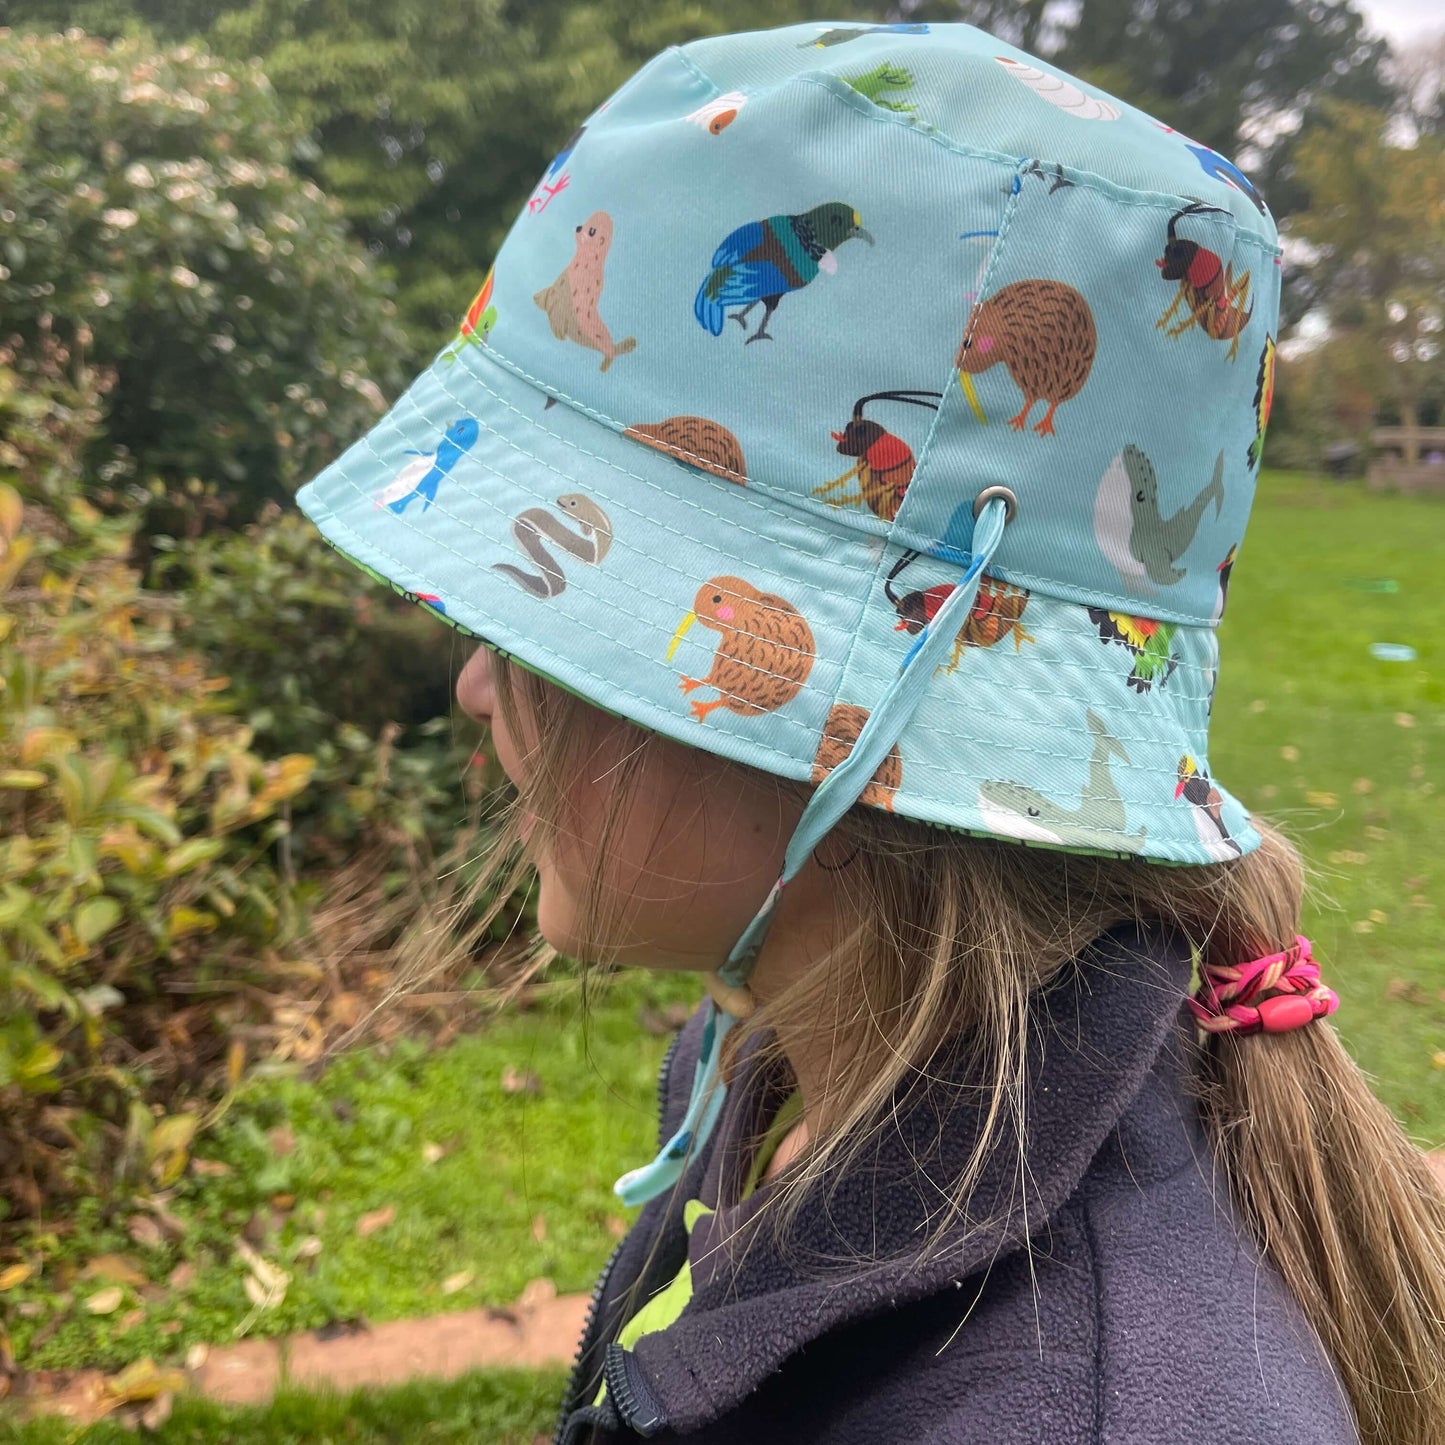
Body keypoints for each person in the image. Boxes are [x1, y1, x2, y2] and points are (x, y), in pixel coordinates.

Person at [295, 20, 1445, 1444]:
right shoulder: (824, 1057)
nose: (478, 683)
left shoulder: (1077, 1404)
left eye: (545, 626)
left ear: (850, 736)